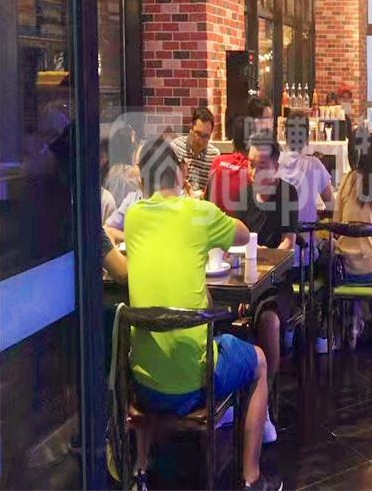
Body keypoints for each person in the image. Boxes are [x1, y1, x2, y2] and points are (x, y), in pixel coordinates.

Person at [124, 138, 280, 490]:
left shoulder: (133, 217)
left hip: (143, 385)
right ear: (181, 173)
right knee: (258, 361)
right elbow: (243, 234)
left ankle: (141, 470)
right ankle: (252, 478)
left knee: (155, 340)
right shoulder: (199, 213)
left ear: (143, 180)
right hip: (194, 386)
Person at [234, 132, 297, 441]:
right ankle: (229, 399)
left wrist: (265, 261)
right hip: (243, 281)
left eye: (261, 165)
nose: (253, 171)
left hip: (275, 282)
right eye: (250, 164)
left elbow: (288, 242)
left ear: (275, 166)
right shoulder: (242, 196)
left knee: (269, 322)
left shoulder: (287, 194)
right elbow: (234, 240)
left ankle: (265, 399)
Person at [333, 133, 372, 349]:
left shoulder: (348, 179)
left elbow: (336, 220)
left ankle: (354, 324)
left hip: (345, 267)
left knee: (354, 278)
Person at [278, 111, 334, 269]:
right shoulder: (315, 165)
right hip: (306, 259)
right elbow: (332, 205)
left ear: (285, 134)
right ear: (307, 137)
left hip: (277, 259)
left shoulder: (274, 163)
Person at [172, 106, 220, 195]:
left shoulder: (214, 155)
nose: (200, 141)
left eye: (206, 136)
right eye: (198, 134)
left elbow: (214, 191)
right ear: (191, 128)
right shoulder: (176, 147)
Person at [207, 116, 250, 215]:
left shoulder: (217, 161)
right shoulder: (253, 171)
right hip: (238, 224)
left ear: (233, 142)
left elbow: (207, 197)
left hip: (213, 221)